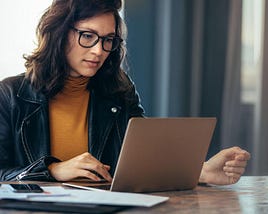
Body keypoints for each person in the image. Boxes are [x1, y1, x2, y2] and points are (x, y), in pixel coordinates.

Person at [0, 0, 250, 185]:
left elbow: (142, 162)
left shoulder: (119, 91)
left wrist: (201, 171)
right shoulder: (10, 95)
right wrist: (52, 170)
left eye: (108, 39)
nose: (99, 50)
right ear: (59, 33)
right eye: (88, 36)